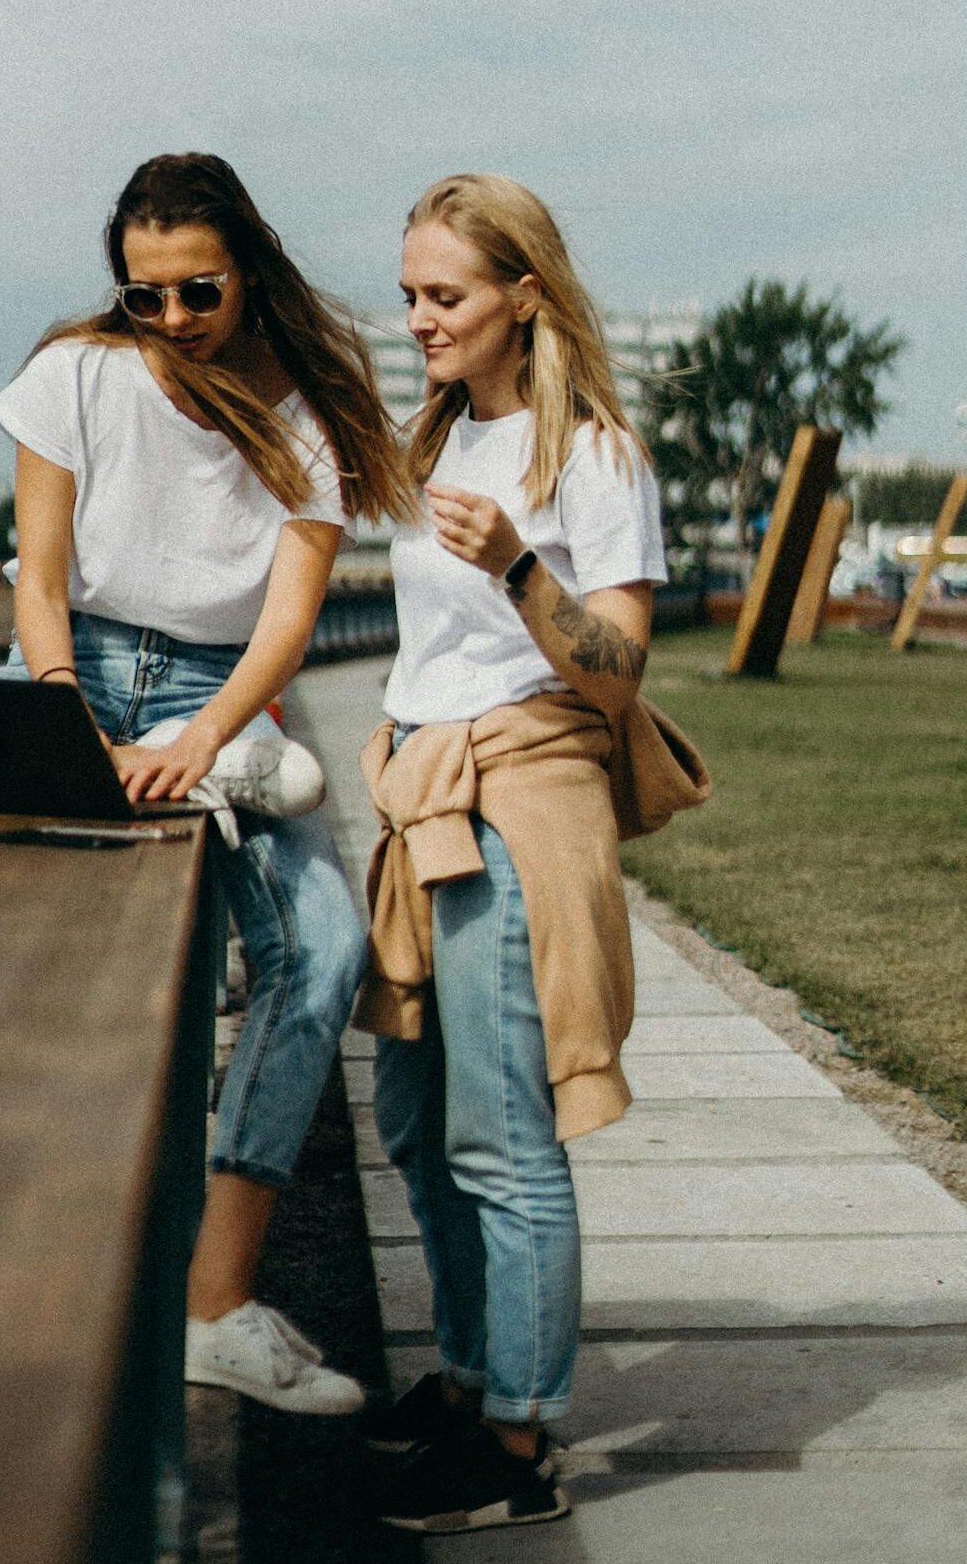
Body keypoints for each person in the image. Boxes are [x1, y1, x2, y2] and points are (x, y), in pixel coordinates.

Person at [0, 153, 413, 1413]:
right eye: (145, 297)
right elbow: (41, 575)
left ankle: (214, 1305)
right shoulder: (75, 373)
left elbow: (287, 620)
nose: (171, 320)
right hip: (73, 666)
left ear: (248, 271)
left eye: (198, 293)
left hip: (217, 693)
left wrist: (199, 735)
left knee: (326, 950)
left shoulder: (312, 410)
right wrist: (61, 710)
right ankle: (111, 777)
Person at [358, 173, 667, 1535]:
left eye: (447, 295)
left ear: (520, 297)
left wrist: (521, 573)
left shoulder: (589, 458)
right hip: (421, 793)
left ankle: (520, 1440)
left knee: (501, 1131)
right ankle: (474, 1371)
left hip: (515, 798)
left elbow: (616, 676)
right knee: (419, 1126)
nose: (418, 318)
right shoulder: (429, 445)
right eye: (412, 293)